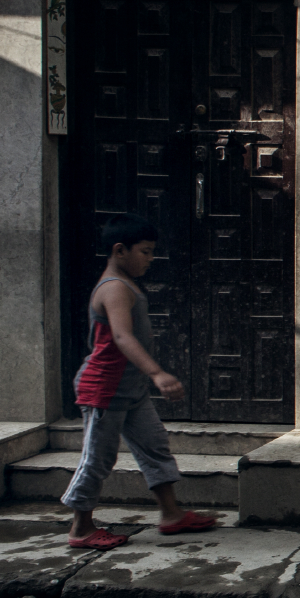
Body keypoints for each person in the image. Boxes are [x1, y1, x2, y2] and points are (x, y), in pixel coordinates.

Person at [62, 215, 219, 548]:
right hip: (104, 388)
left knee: (154, 445)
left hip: (130, 391)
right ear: (120, 250)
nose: (150, 259)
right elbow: (121, 335)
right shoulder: (114, 287)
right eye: (145, 252)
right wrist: (157, 373)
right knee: (98, 458)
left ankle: (172, 514)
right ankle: (81, 528)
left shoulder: (126, 283)